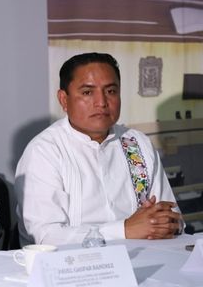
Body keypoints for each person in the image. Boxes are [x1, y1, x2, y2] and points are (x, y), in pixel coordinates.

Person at [15, 52, 182, 246]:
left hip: (145, 254)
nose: (101, 102)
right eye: (87, 92)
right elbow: (46, 236)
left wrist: (167, 223)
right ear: (63, 99)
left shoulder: (135, 143)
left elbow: (172, 217)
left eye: (110, 91)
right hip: (74, 262)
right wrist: (125, 230)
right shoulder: (45, 151)